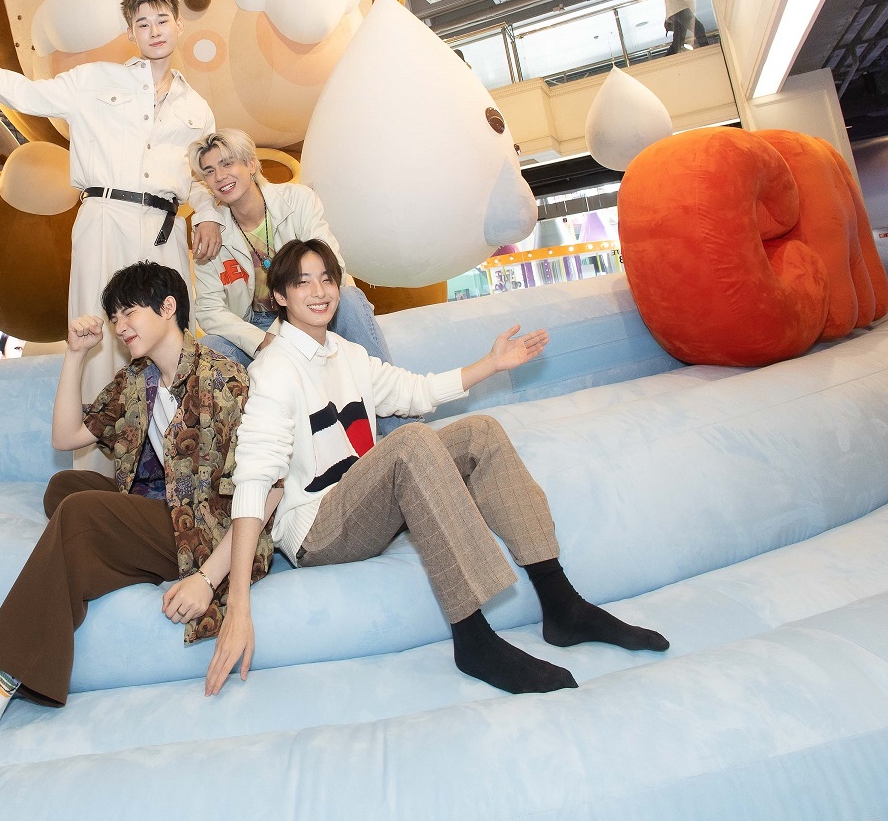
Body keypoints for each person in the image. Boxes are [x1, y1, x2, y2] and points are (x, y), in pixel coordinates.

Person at [209, 238, 667, 699]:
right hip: (317, 530)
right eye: (303, 283)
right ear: (281, 296)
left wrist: (491, 364)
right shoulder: (275, 369)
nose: (319, 292)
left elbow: (416, 392)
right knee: (411, 442)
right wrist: (238, 606)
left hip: (363, 500)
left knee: (480, 432)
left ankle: (561, 603)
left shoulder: (346, 354)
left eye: (327, 280)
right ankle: (474, 640)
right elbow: (254, 478)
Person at [0, 261, 279, 739]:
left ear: (168, 308)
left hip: (210, 529)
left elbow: (269, 489)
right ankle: (92, 557)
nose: (119, 327)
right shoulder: (138, 379)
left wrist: (207, 579)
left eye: (129, 313)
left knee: (80, 515)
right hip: (166, 508)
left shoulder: (223, 380)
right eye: (114, 318)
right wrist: (75, 355)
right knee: (63, 489)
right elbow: (65, 437)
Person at [0, 0, 222, 402]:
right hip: (104, 218)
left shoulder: (198, 107)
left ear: (178, 24)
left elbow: (201, 175)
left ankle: (176, 436)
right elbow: (21, 92)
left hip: (164, 230)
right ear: (131, 32)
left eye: (162, 20)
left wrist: (208, 214)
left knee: (173, 332)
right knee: (99, 335)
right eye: (143, 23)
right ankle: (97, 441)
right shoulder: (93, 80)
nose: (155, 30)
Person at [188, 128, 389, 368]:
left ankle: (384, 385)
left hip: (309, 308)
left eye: (227, 164)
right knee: (211, 346)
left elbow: (333, 267)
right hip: (255, 325)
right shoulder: (208, 232)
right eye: (209, 171)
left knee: (350, 299)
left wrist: (286, 333)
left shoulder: (298, 200)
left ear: (251, 164)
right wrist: (260, 340)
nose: (220, 176)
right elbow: (209, 308)